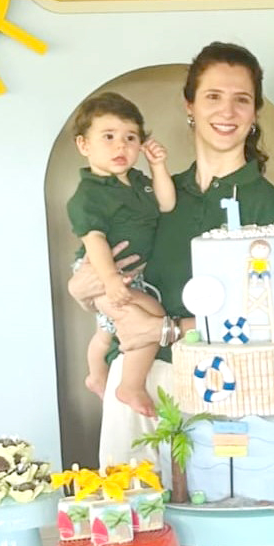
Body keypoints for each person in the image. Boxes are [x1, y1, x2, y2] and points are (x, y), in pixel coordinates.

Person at [68, 42, 274, 466]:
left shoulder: (270, 206)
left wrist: (167, 329)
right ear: (189, 105)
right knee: (135, 514)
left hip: (226, 384)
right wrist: (79, 286)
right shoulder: (152, 195)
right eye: (213, 96)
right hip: (140, 378)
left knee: (220, 510)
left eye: (241, 99)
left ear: (254, 113)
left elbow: (271, 315)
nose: (226, 111)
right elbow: (102, 265)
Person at [67, 91, 176, 416]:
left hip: (130, 276)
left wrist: (158, 166)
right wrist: (110, 279)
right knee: (150, 312)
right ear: (84, 145)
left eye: (131, 138)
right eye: (109, 137)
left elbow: (167, 204)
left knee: (107, 328)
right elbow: (95, 241)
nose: (121, 146)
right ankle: (130, 385)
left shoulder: (139, 182)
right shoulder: (88, 195)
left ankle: (97, 375)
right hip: (102, 271)